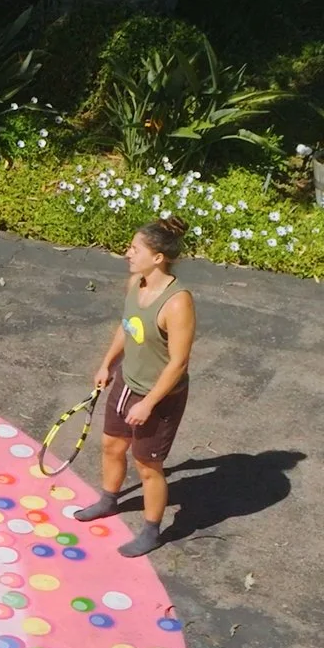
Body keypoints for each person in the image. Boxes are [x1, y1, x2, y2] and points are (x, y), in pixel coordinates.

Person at [72, 217, 195, 557]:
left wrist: (149, 403)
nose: (128, 253)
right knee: (112, 445)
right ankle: (108, 501)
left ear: (158, 257)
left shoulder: (177, 302)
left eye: (135, 249)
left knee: (147, 465)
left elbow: (178, 363)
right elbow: (127, 326)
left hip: (160, 396)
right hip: (129, 382)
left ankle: (152, 531)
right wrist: (107, 364)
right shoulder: (134, 284)